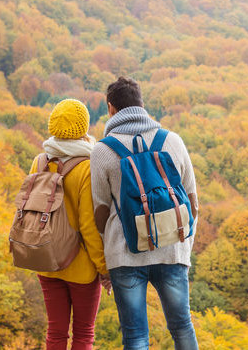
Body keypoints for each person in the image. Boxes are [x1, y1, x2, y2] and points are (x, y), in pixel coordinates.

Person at [91, 77, 200, 350]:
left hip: (125, 254)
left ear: (111, 108)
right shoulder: (172, 141)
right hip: (172, 248)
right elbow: (193, 202)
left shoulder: (103, 151)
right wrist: (184, 246)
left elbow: (100, 212)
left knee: (136, 336)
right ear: (141, 105)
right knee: (182, 326)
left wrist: (110, 254)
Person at [32, 99, 111, 350]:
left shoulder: (40, 161)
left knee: (55, 333)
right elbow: (89, 226)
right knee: (83, 334)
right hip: (81, 267)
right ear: (84, 127)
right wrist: (104, 269)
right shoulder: (88, 166)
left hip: (46, 260)